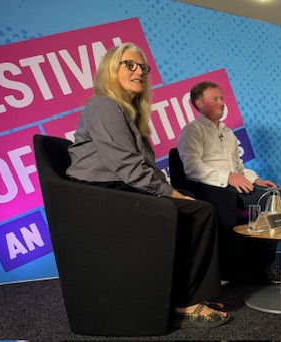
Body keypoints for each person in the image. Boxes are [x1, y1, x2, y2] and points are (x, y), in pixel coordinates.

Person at [66, 43, 229, 328]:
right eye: (130, 65)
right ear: (110, 69)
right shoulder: (104, 105)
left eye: (142, 67)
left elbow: (143, 166)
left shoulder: (126, 110)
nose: (139, 71)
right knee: (200, 211)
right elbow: (128, 167)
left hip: (116, 188)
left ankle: (189, 293)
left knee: (190, 201)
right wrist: (170, 192)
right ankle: (188, 302)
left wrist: (173, 192)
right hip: (100, 197)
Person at [176, 81, 281, 284]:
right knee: (269, 203)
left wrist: (256, 179)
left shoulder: (228, 133)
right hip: (214, 189)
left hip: (235, 186)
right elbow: (192, 167)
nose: (221, 102)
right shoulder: (192, 130)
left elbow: (239, 168)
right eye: (215, 98)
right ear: (198, 103)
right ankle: (261, 266)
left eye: (222, 98)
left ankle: (259, 263)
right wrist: (227, 177)